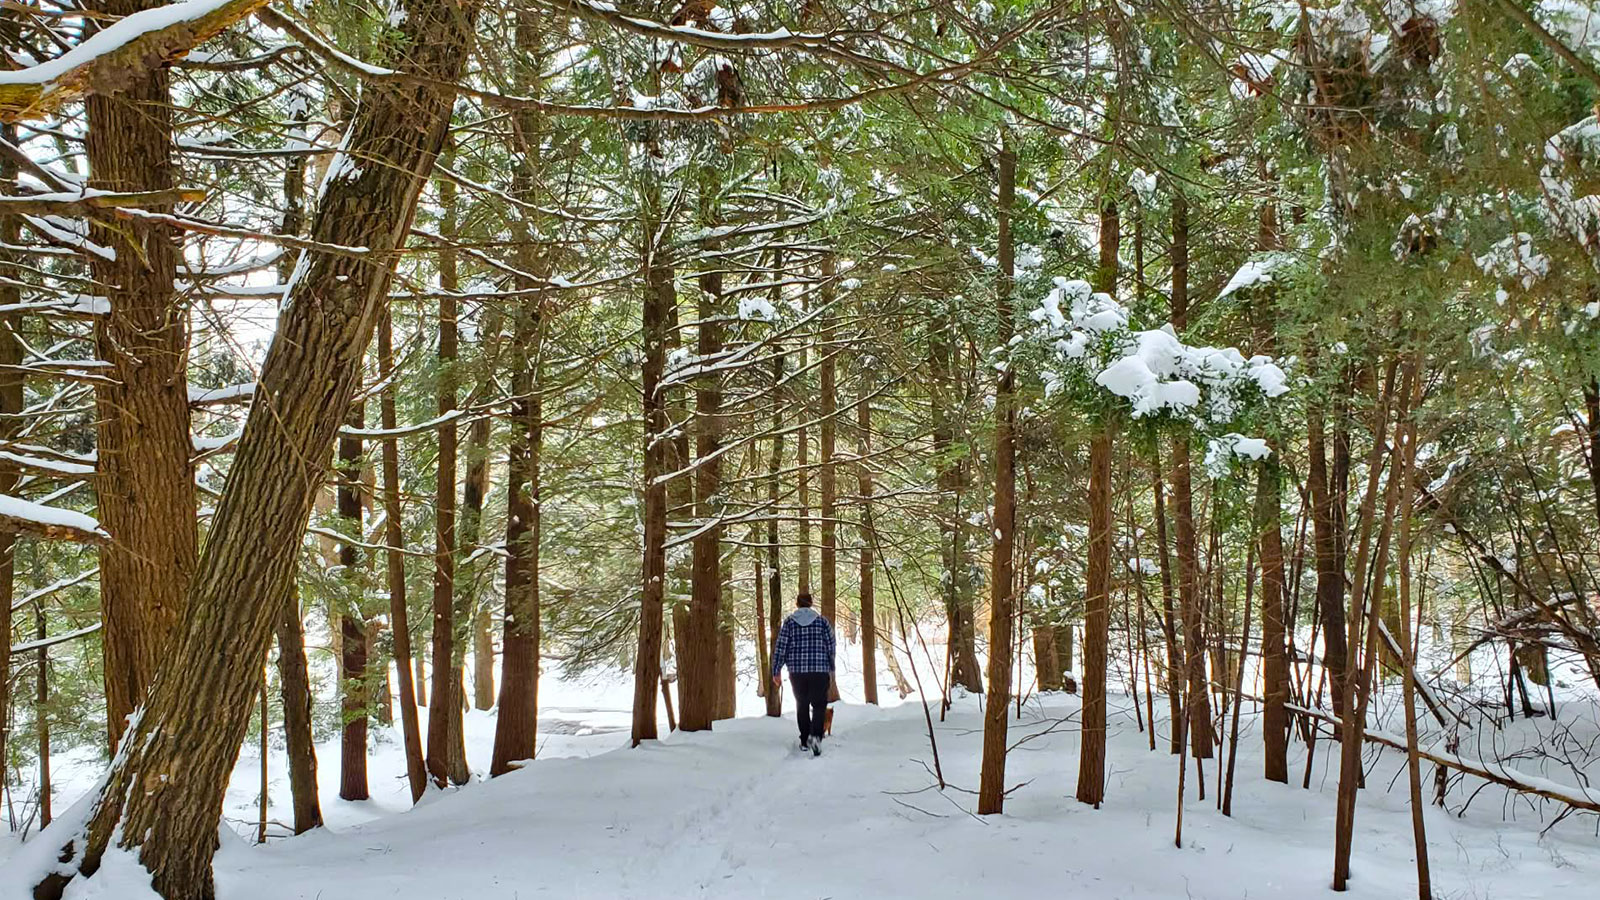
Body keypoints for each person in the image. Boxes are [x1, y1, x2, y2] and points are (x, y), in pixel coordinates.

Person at [770, 592, 836, 755]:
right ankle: (816, 736)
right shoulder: (822, 622)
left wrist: (776, 670)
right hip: (819, 670)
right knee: (819, 705)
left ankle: (805, 739)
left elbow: (781, 647)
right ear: (811, 604)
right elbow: (831, 645)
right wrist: (831, 667)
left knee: (802, 704)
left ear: (797, 604)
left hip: (797, 672)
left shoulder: (790, 623)